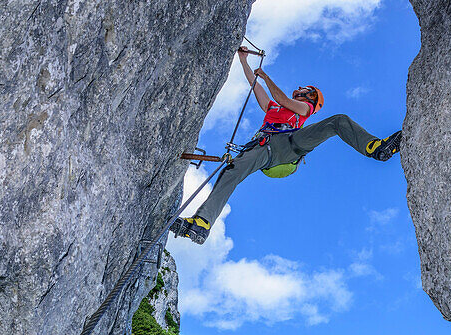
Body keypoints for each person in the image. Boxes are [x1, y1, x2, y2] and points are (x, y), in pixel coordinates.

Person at [171, 47, 403, 243]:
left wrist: (267, 77)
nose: (299, 89)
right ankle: (202, 223)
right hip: (264, 148)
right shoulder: (273, 109)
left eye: (304, 90)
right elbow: (256, 88)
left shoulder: (304, 109)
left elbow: (282, 98)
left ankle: (374, 147)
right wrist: (244, 61)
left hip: (292, 144)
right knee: (232, 171)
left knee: (338, 121)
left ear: (310, 96)